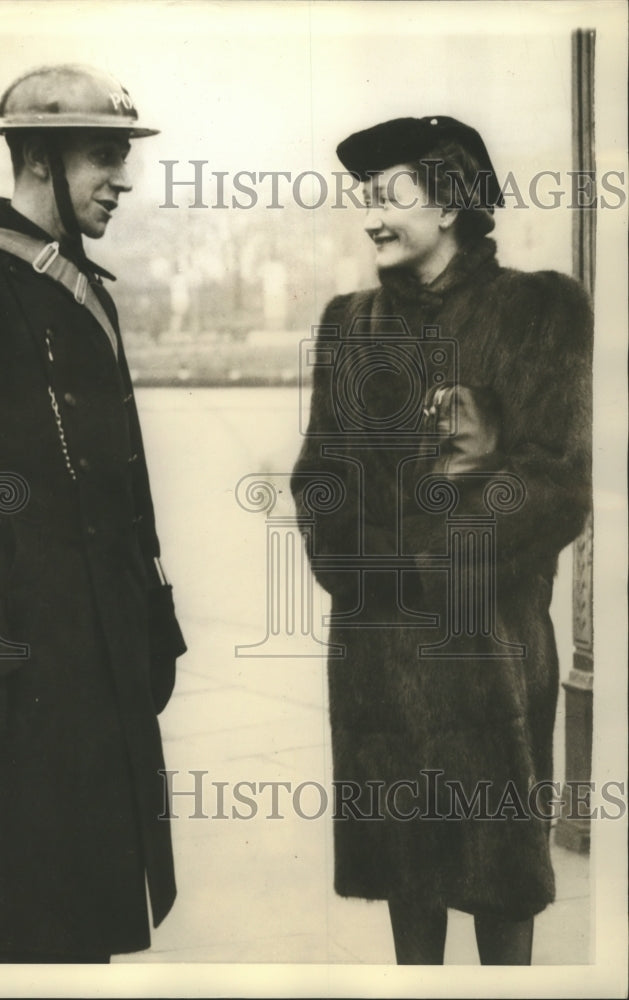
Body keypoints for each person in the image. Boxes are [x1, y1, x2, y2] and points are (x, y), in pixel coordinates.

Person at [291, 116, 592, 964]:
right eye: (365, 200)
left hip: (486, 652)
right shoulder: (348, 323)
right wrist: (361, 570)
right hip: (376, 658)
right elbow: (318, 478)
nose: (370, 218)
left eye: (387, 196)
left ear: (453, 202)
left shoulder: (540, 308)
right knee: (407, 890)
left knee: (500, 888)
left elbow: (553, 482)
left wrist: (427, 561)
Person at [0, 64, 186, 964]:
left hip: (97, 658)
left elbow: (125, 484)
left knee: (87, 918)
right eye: (103, 157)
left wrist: (153, 623)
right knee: (26, 922)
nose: (123, 179)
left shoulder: (83, 289)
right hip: (20, 675)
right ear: (37, 157)